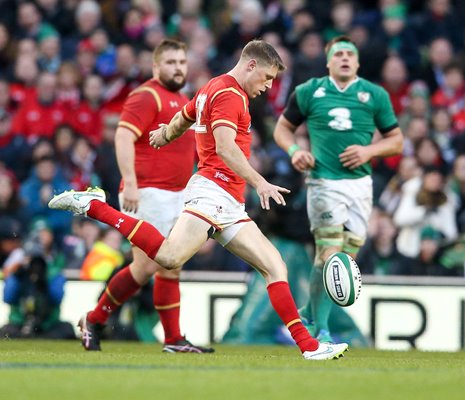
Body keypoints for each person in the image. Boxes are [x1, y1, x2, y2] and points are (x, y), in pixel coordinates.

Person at [49, 39, 348, 360]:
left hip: (228, 201)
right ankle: (94, 207)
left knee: (275, 266)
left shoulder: (212, 88)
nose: (268, 86)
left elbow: (185, 116)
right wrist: (260, 181)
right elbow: (224, 146)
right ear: (251, 65)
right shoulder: (231, 95)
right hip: (213, 193)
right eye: (267, 77)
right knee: (166, 258)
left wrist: (165, 134)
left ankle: (309, 346)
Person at [70, 39, 212, 353]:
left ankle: (172, 339)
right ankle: (95, 319)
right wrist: (130, 181)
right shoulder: (146, 95)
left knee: (167, 266)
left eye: (182, 62)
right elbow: (123, 136)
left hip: (177, 194)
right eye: (171, 62)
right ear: (156, 66)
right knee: (149, 266)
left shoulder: (182, 98)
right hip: (147, 192)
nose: (178, 68)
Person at [272, 35, 403, 342]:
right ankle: (323, 331)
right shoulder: (309, 92)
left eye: (349, 54)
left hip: (360, 185)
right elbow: (282, 129)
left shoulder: (374, 95)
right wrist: (295, 152)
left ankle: (308, 311)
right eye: (338, 54)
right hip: (324, 182)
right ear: (328, 61)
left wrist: (369, 152)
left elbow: (396, 140)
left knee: (345, 259)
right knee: (330, 254)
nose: (344, 58)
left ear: (357, 62)